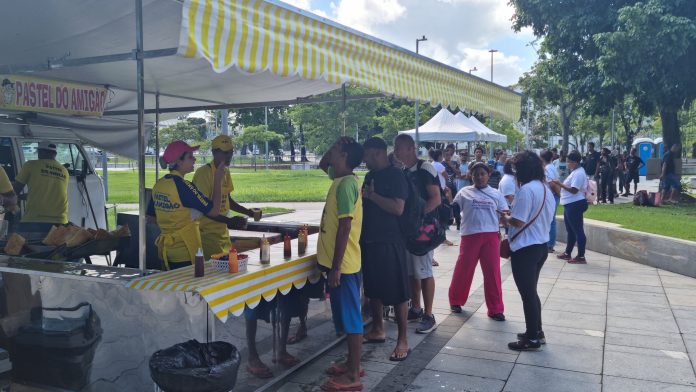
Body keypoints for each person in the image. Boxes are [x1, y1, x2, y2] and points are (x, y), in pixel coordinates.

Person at [318, 137, 365, 391]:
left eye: (336, 149)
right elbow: (322, 164)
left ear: (345, 155)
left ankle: (353, 376)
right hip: (339, 264)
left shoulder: (347, 183)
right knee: (346, 318)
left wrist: (335, 268)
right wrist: (335, 145)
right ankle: (351, 364)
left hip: (344, 265)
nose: (331, 153)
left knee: (351, 320)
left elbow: (345, 225)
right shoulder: (339, 178)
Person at [360, 137, 411, 362]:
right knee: (373, 289)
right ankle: (378, 329)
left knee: (398, 292)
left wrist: (372, 196)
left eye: (367, 156)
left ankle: (403, 339)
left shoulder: (396, 175)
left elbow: (398, 208)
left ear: (378, 153)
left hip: (391, 241)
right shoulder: (370, 176)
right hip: (370, 240)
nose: (364, 160)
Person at [502, 151, 555, 351]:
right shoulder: (544, 188)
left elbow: (518, 220)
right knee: (531, 292)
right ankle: (536, 331)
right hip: (540, 246)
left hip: (525, 248)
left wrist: (505, 217)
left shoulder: (526, 190)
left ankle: (532, 338)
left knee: (527, 294)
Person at [146, 140, 225, 270]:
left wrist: (173, 222)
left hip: (167, 251)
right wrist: (217, 180)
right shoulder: (184, 186)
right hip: (186, 252)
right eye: (190, 156)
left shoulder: (159, 184)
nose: (194, 159)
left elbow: (151, 218)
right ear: (178, 161)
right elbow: (214, 211)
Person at [394, 134, 441, 334]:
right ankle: (415, 307)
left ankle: (428, 314)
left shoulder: (425, 168)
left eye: (399, 148)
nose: (395, 152)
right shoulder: (403, 170)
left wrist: (418, 219)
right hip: (408, 232)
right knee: (412, 271)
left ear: (411, 148)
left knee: (423, 271)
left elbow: (436, 199)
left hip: (425, 231)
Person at [448, 162, 507, 321]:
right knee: (464, 270)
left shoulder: (496, 193)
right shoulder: (464, 192)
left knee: (493, 273)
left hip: (491, 237)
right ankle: (456, 300)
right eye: (476, 174)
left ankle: (496, 309)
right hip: (470, 236)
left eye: (482, 174)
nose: (479, 177)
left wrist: (506, 219)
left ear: (488, 175)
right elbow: (453, 209)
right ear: (470, 176)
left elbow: (505, 214)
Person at [192, 135, 254, 259]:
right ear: (214, 152)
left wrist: (248, 212)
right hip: (207, 235)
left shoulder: (225, 171)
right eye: (225, 152)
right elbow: (204, 209)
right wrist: (230, 221)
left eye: (231, 152)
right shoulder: (204, 173)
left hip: (223, 234)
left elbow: (227, 200)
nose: (228, 156)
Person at [13, 141, 69, 232]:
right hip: (60, 221)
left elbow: (15, 190)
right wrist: (19, 197)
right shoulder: (64, 171)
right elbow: (43, 193)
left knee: (26, 245)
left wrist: (10, 198)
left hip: (35, 219)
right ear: (55, 154)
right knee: (53, 246)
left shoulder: (31, 165)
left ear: (41, 152)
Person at [552, 150, 589, 264]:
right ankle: (568, 252)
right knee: (571, 230)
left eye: (569, 162)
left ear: (575, 162)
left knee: (578, 230)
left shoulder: (579, 173)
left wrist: (560, 184)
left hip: (575, 204)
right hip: (570, 204)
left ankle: (581, 256)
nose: (567, 164)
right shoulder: (576, 171)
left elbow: (574, 190)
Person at [540, 150, 560, 253]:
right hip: (553, 196)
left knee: (551, 221)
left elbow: (552, 184)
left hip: (552, 196)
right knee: (551, 220)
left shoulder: (547, 169)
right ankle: (550, 244)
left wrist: (558, 195)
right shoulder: (551, 167)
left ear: (542, 158)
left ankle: (550, 245)